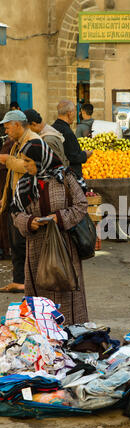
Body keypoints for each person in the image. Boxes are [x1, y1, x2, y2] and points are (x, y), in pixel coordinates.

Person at [12, 139, 89, 325]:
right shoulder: (24, 184)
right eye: (24, 160)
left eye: (28, 161)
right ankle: (43, 335)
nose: (25, 165)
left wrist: (59, 218)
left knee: (67, 289)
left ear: (40, 161)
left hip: (65, 246)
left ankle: (72, 333)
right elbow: (15, 213)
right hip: (37, 249)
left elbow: (81, 205)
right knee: (39, 294)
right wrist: (29, 222)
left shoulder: (66, 178)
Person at [0, 110, 40, 293]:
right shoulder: (17, 143)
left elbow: (30, 167)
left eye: (8, 127)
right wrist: (5, 199)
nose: (6, 131)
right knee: (15, 244)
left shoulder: (33, 141)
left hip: (27, 201)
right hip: (15, 200)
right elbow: (11, 176)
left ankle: (27, 282)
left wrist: (8, 160)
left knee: (23, 244)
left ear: (17, 125)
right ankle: (19, 280)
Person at [52, 100, 93, 179]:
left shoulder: (53, 127)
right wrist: (85, 154)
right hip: (69, 176)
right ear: (69, 113)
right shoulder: (67, 132)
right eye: (75, 111)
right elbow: (73, 157)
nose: (76, 114)